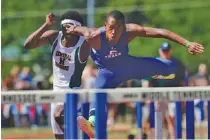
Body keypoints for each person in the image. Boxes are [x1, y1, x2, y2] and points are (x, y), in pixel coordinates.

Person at [65, 10, 204, 138]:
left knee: (170, 67)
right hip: (108, 72)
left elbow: (161, 32)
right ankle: (92, 123)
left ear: (124, 27)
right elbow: (81, 30)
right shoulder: (93, 35)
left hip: (128, 65)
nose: (114, 32)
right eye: (111, 28)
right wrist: (73, 28)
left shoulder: (131, 30)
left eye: (118, 28)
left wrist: (187, 43)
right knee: (99, 90)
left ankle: (158, 74)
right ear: (105, 25)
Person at [24, 11, 90, 139]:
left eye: (73, 28)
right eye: (66, 27)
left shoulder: (84, 44)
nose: (69, 31)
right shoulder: (54, 37)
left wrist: (79, 29)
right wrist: (46, 25)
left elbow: (93, 33)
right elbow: (28, 45)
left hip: (73, 92)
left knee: (58, 114)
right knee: (59, 136)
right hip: (55, 93)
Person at [148, 42, 186, 138]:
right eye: (163, 51)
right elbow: (149, 82)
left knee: (172, 119)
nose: (165, 53)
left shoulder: (177, 63)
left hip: (173, 96)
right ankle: (160, 137)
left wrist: (183, 97)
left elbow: (183, 82)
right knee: (159, 119)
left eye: (167, 51)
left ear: (170, 51)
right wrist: (148, 96)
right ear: (160, 51)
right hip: (158, 95)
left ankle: (174, 137)